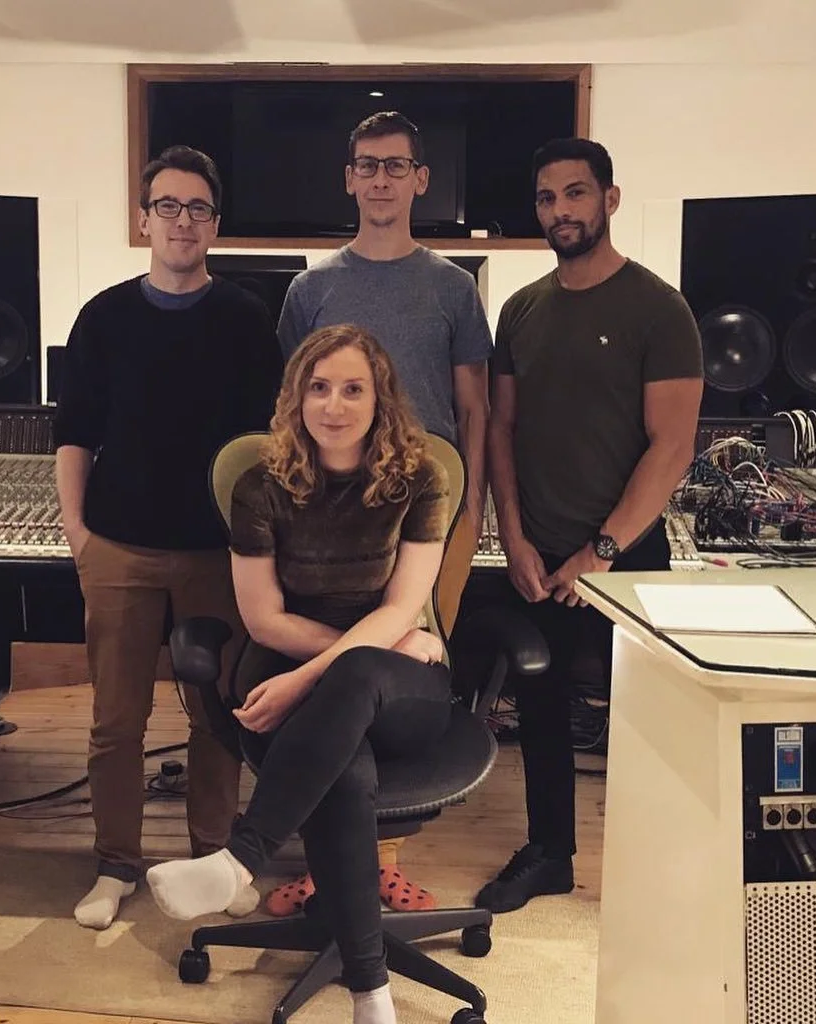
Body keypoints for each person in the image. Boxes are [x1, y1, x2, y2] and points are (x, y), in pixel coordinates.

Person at [146, 324, 453, 1024]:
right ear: (296, 398)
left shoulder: (418, 479)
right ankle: (372, 996)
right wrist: (331, 665)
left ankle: (242, 858)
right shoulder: (263, 485)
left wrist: (306, 678)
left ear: (382, 400)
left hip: (398, 684)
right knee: (346, 766)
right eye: (319, 388)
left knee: (358, 680)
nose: (334, 405)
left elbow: (404, 604)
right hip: (323, 661)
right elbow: (263, 620)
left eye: (353, 389)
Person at [53, 145, 284, 929]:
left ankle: (210, 857)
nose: (181, 221)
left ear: (214, 224)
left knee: (215, 715)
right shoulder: (104, 317)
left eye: (196, 209)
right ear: (143, 217)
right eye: (167, 206)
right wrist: (79, 534)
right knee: (116, 721)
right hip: (118, 546)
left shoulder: (248, 319)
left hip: (217, 553)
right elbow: (74, 435)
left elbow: (267, 444)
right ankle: (115, 864)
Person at [274, 109, 492, 913]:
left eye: (396, 166)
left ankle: (377, 857)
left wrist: (473, 514)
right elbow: (293, 406)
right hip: (330, 525)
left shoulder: (454, 288)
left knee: (397, 682)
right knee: (340, 680)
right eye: (367, 165)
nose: (380, 179)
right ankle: (330, 857)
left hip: (429, 525)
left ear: (420, 180)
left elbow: (475, 414)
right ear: (349, 177)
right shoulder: (311, 288)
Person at [479, 137, 703, 913]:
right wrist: (512, 536)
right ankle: (550, 854)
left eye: (575, 193)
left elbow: (673, 444)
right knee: (540, 714)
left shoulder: (659, 308)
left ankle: (659, 870)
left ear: (609, 199)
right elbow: (500, 429)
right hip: (538, 558)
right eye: (547, 198)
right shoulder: (521, 310)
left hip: (625, 560)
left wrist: (602, 551)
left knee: (645, 726)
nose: (560, 211)